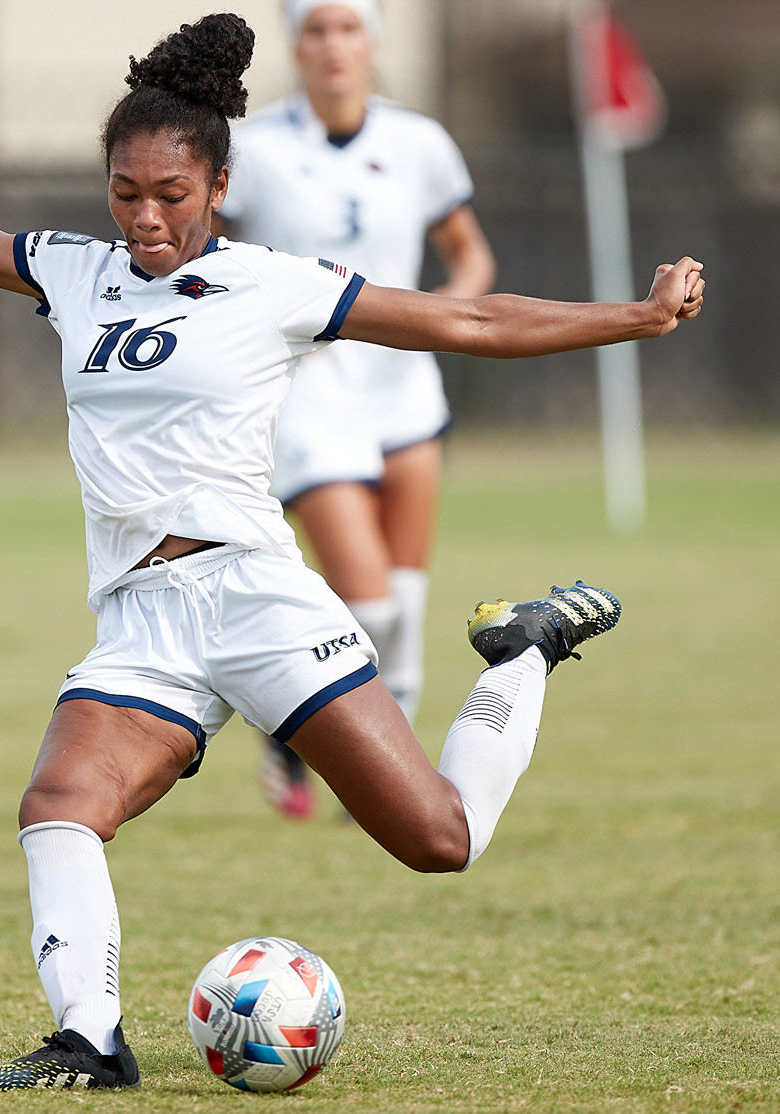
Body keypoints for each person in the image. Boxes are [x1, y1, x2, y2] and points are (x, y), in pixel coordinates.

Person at [0, 11, 699, 1091]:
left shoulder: (277, 286)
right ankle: (89, 1040)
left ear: (220, 186)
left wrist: (636, 318)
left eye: (171, 195)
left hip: (255, 598)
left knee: (439, 840)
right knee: (58, 805)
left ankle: (523, 650)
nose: (145, 216)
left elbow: (468, 322)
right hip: (143, 620)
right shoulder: (72, 272)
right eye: (125, 192)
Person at [216, 0, 496, 822]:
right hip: (308, 388)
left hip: (403, 385)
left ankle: (387, 791)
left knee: (404, 606)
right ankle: (289, 724)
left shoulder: (419, 141)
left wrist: (439, 315)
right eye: (317, 29)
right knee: (367, 603)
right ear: (296, 42)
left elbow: (470, 256)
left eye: (349, 28)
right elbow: (210, 257)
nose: (334, 45)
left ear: (372, 39)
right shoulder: (255, 148)